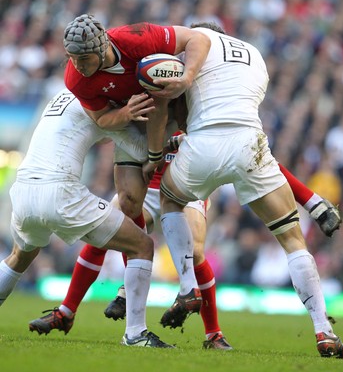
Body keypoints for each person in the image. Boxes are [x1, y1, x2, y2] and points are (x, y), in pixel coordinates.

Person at [143, 22, 343, 359]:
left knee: (170, 198)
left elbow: (178, 110)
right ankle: (324, 330)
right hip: (251, 144)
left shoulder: (192, 52)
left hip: (203, 144)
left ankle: (186, 289)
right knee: (292, 240)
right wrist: (313, 203)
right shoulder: (254, 55)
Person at [28, 129, 233, 351]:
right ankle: (65, 312)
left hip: (185, 188)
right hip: (146, 185)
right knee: (103, 235)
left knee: (195, 252)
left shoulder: (192, 97)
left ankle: (213, 334)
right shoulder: (145, 98)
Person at [0, 89, 173, 348]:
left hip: (24, 189)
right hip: (60, 192)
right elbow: (142, 150)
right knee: (143, 246)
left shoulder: (63, 94)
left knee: (19, 257)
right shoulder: (100, 103)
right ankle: (135, 334)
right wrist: (172, 137)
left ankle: (67, 311)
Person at [62, 13, 211, 235]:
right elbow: (101, 119)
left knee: (192, 234)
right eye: (71, 57)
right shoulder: (75, 78)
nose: (77, 65)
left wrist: (186, 78)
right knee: (128, 203)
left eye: (83, 58)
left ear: (102, 49)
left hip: (174, 112)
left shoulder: (136, 38)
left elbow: (199, 39)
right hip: (133, 124)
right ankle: (140, 256)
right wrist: (126, 112)